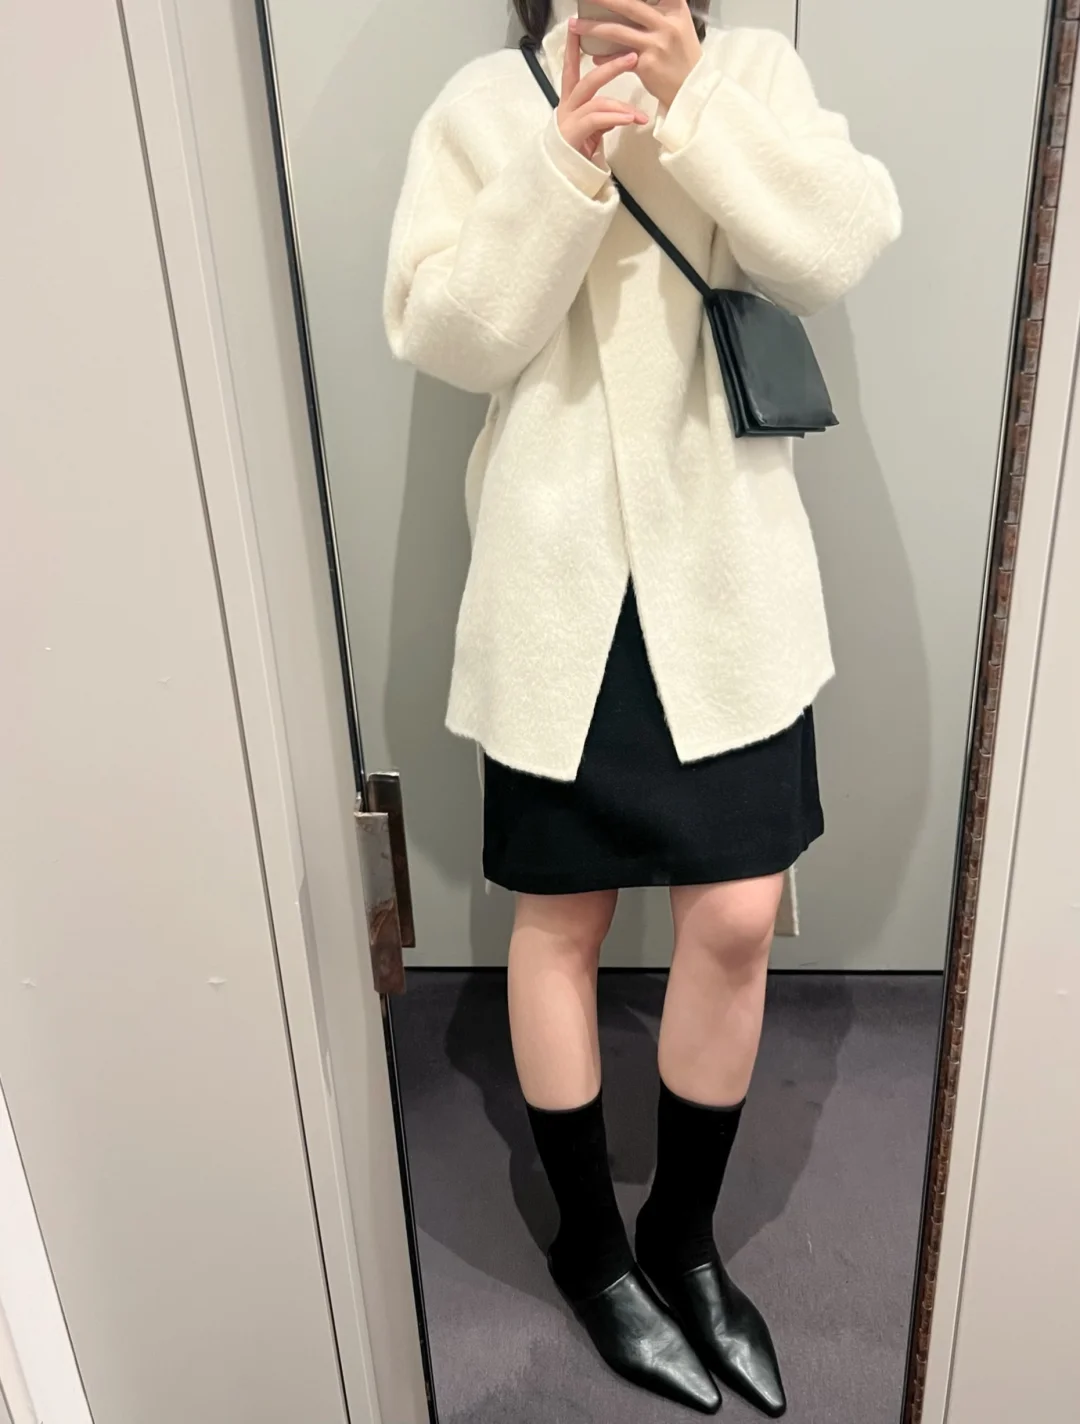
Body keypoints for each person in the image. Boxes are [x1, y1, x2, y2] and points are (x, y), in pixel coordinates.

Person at [385, 0, 900, 1413]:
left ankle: (683, 1237)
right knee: (563, 919)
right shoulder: (485, 102)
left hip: (723, 583)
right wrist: (559, 163)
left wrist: (696, 108)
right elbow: (450, 336)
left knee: (735, 912)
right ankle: (594, 1252)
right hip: (561, 587)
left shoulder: (752, 71)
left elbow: (836, 248)